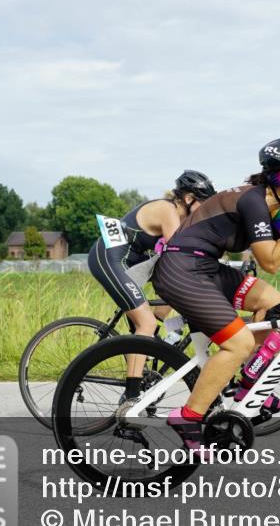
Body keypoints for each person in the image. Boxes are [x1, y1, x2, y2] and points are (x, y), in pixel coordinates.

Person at [151, 138, 280, 454]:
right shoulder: (253, 202)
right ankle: (188, 417)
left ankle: (250, 384)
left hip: (203, 266)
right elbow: (271, 261)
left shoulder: (267, 205)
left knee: (271, 302)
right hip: (183, 270)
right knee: (239, 343)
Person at [88, 170, 216, 400]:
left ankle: (156, 352)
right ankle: (131, 397)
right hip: (108, 258)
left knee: (161, 308)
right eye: (203, 204)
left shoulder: (179, 216)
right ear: (188, 199)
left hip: (128, 263)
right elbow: (182, 253)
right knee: (145, 323)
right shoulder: (167, 210)